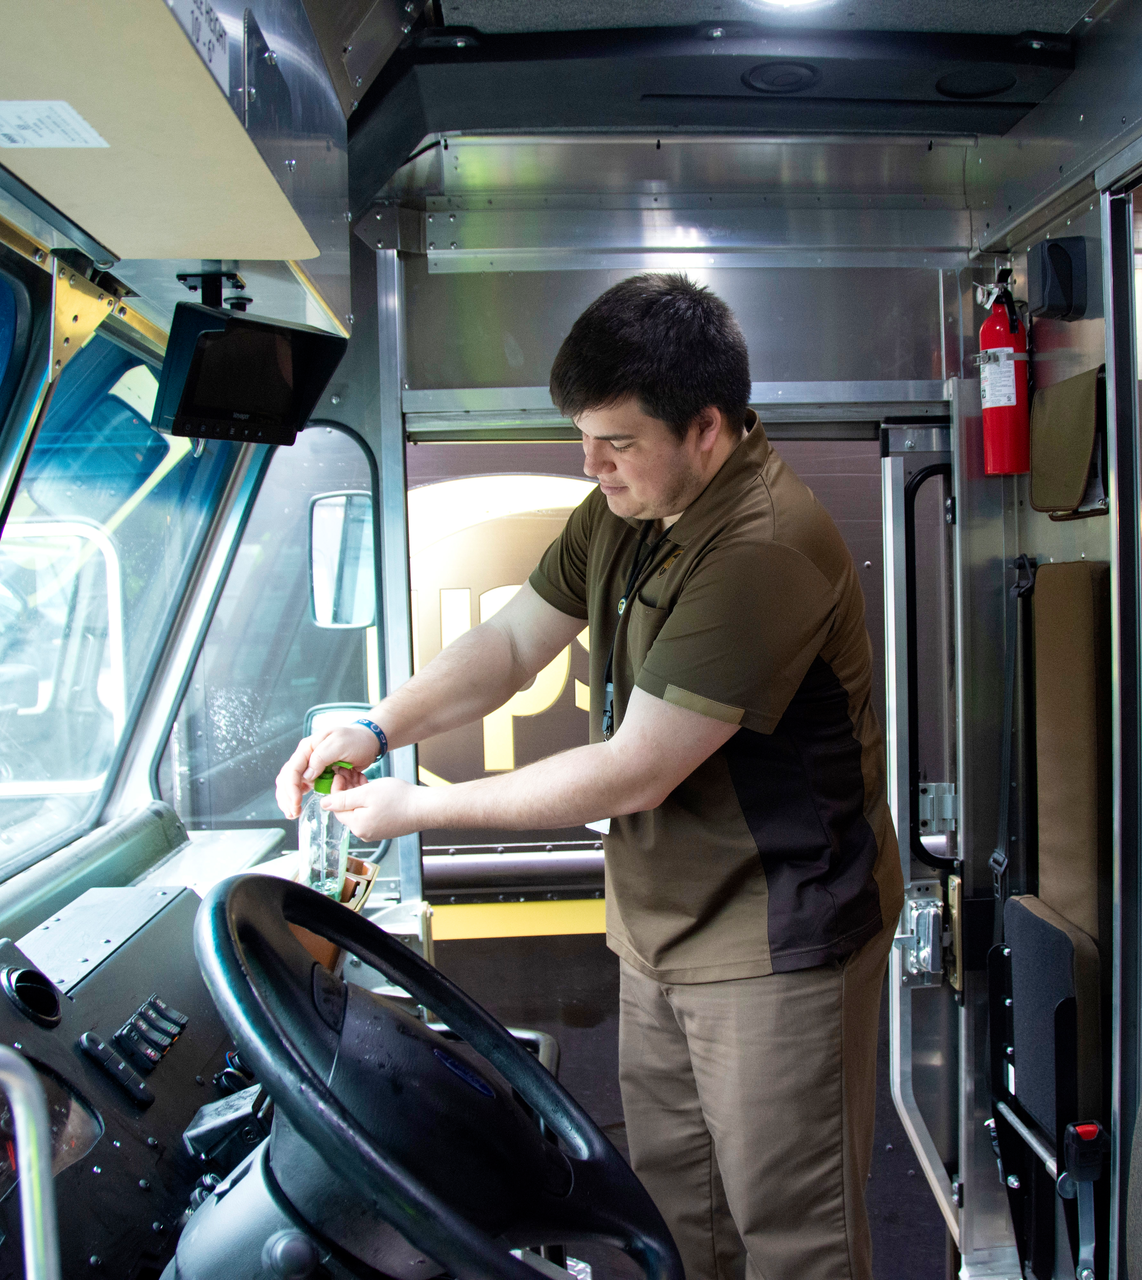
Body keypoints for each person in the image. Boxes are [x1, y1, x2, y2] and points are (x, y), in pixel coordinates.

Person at [275, 273, 903, 1280]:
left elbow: (633, 771)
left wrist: (418, 809)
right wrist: (374, 726)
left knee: (795, 1238)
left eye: (615, 440)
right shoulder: (627, 504)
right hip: (659, 928)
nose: (590, 462)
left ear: (706, 430)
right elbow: (511, 643)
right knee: (674, 1219)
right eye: (583, 436)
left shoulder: (764, 546)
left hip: (775, 944)